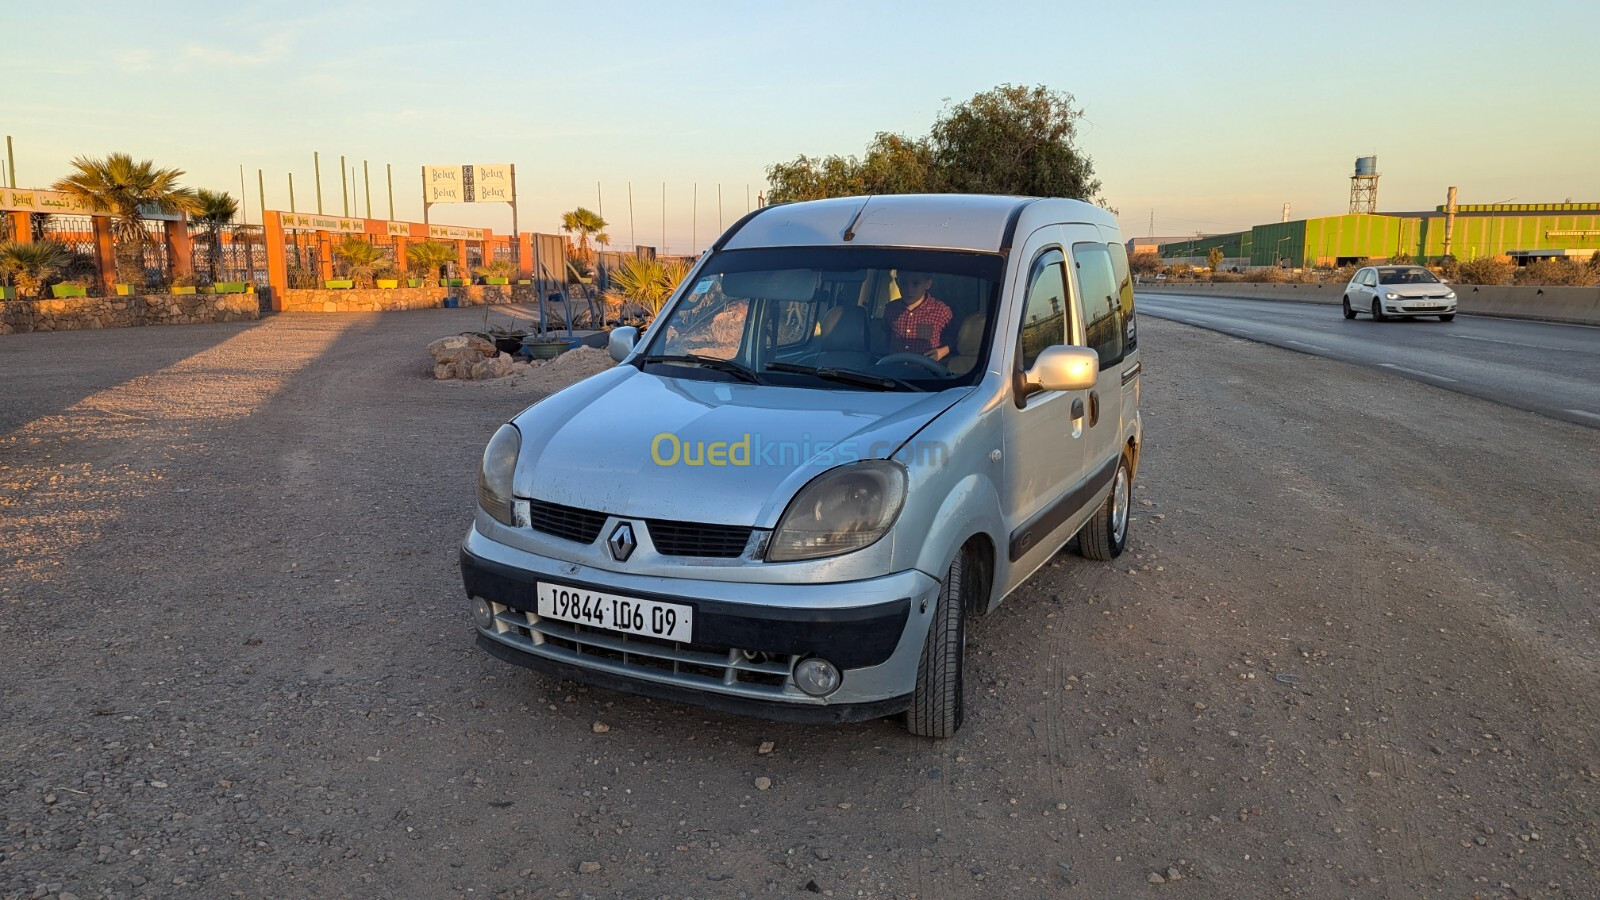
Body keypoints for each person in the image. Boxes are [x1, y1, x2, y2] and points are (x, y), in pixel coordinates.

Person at [883, 270, 953, 361]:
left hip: (926, 371)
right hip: (895, 368)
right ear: (897, 282)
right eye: (903, 283)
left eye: (916, 283)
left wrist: (942, 351)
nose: (909, 289)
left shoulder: (941, 310)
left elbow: (958, 340)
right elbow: (886, 336)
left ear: (928, 284)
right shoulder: (890, 309)